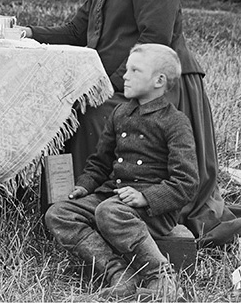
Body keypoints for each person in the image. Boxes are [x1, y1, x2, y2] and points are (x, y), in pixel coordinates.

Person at [17, 0, 237, 242]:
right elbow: (77, 30)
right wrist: (29, 32)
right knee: (61, 111)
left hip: (157, 83)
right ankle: (66, 202)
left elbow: (155, 39)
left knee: (93, 115)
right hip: (122, 81)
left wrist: (112, 86)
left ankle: (112, 208)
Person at [44, 44, 197, 301]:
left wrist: (146, 197)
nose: (125, 76)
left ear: (159, 81)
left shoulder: (175, 122)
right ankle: (120, 275)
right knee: (58, 213)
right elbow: (101, 161)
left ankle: (161, 277)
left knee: (109, 211)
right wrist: (85, 185)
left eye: (135, 70)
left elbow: (187, 181)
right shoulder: (121, 112)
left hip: (153, 211)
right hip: (112, 199)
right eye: (126, 69)